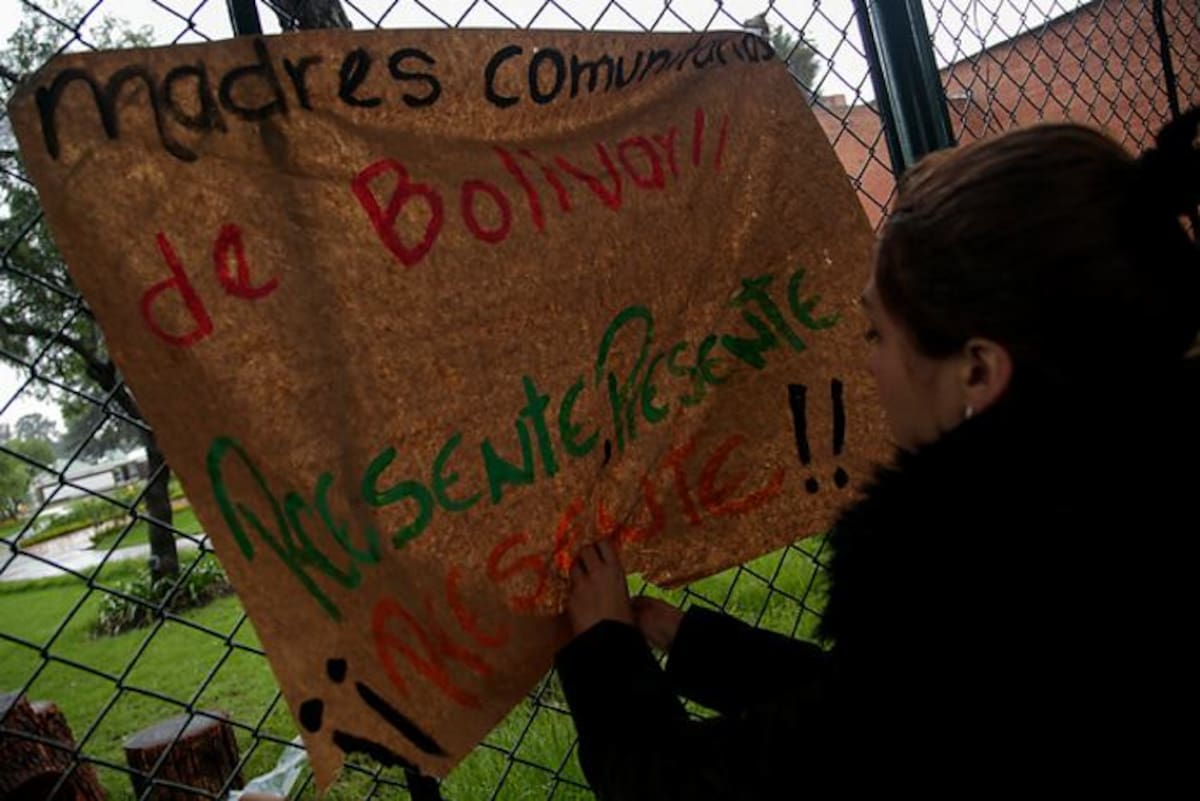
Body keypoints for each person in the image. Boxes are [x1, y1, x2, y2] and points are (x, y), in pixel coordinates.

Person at [554, 110, 1200, 798]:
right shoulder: (1102, 523)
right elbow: (883, 715)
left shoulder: (979, 583)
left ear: (978, 371)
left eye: (877, 335)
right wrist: (697, 644)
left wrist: (604, 655)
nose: (868, 365)